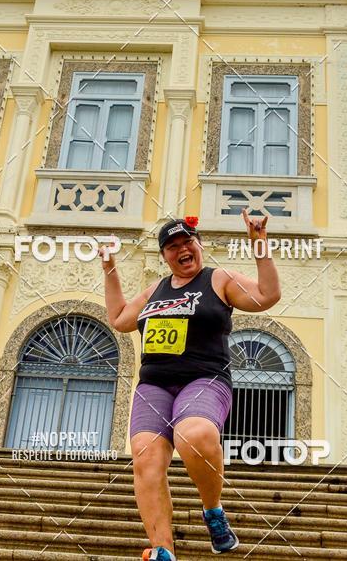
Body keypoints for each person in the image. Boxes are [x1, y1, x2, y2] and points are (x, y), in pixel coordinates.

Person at [100, 208, 281, 561]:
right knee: (145, 456)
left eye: (189, 242)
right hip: (154, 384)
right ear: (165, 255)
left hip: (204, 378)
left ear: (199, 245)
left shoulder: (219, 280)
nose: (183, 249)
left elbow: (267, 294)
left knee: (193, 434)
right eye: (173, 246)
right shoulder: (156, 290)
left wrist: (259, 242)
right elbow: (120, 319)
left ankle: (213, 512)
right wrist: (109, 266)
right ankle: (163, 551)